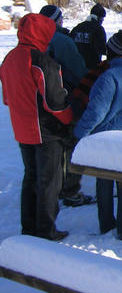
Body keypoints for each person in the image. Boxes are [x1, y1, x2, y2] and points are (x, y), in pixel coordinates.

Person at [0, 14, 74, 241]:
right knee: (49, 182)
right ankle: (46, 230)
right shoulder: (41, 61)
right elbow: (55, 102)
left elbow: (7, 98)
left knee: (31, 177)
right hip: (45, 131)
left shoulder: (10, 58)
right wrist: (69, 118)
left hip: (22, 128)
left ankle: (29, 227)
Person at [73, 30, 122, 240]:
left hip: (106, 140)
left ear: (111, 51)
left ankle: (107, 225)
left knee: (104, 183)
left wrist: (79, 133)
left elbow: (96, 112)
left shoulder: (108, 77)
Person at [39, 4, 94, 208]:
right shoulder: (62, 41)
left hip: (41, 101)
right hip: (66, 98)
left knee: (52, 147)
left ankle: (53, 187)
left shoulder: (37, 40)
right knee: (70, 143)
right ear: (57, 20)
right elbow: (78, 69)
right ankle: (70, 190)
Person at [70, 3, 107, 70]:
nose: (103, 20)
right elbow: (102, 49)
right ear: (99, 17)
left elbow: (70, 44)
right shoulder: (99, 29)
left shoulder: (78, 27)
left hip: (76, 67)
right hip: (93, 69)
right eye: (102, 18)